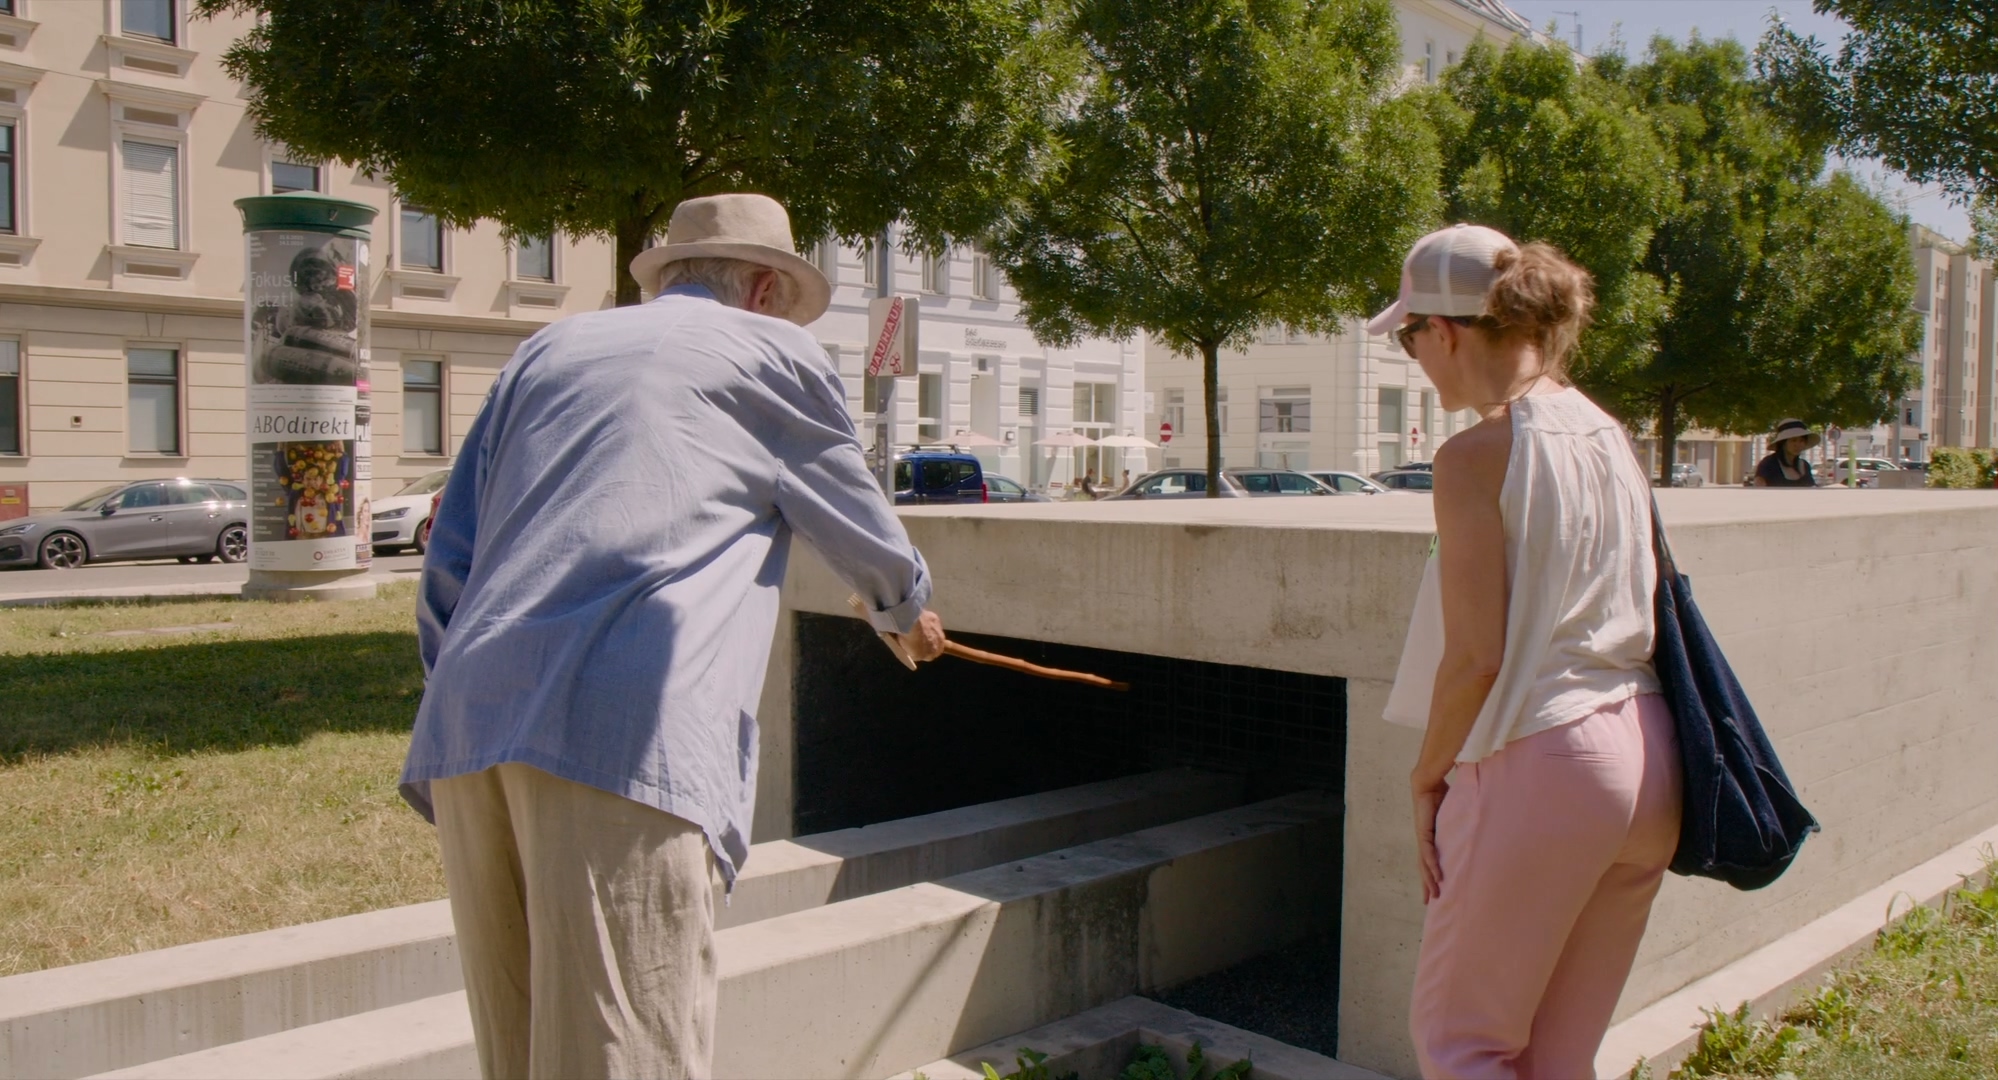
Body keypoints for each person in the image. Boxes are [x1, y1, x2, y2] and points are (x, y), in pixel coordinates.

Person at [400, 193, 947, 1079]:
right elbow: (858, 521)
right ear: (764, 288)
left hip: (469, 721)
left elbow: (449, 561)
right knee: (628, 1052)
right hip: (624, 731)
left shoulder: (549, 348)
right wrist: (905, 612)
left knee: (517, 1050)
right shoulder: (773, 353)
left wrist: (468, 693)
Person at [1374, 224, 1680, 1079]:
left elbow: (1477, 658)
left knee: (1462, 1045)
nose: (1414, 358)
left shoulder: (1475, 457)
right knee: (1559, 1057)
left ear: (1444, 331)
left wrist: (1426, 776)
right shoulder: (1610, 435)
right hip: (1651, 757)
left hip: (1542, 757)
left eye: (1408, 337)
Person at [1753, 419, 1820, 487]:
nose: (1797, 445)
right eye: (1793, 440)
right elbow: (1759, 488)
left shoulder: (1805, 465)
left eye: (1801, 441)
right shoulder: (1768, 463)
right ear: (1783, 443)